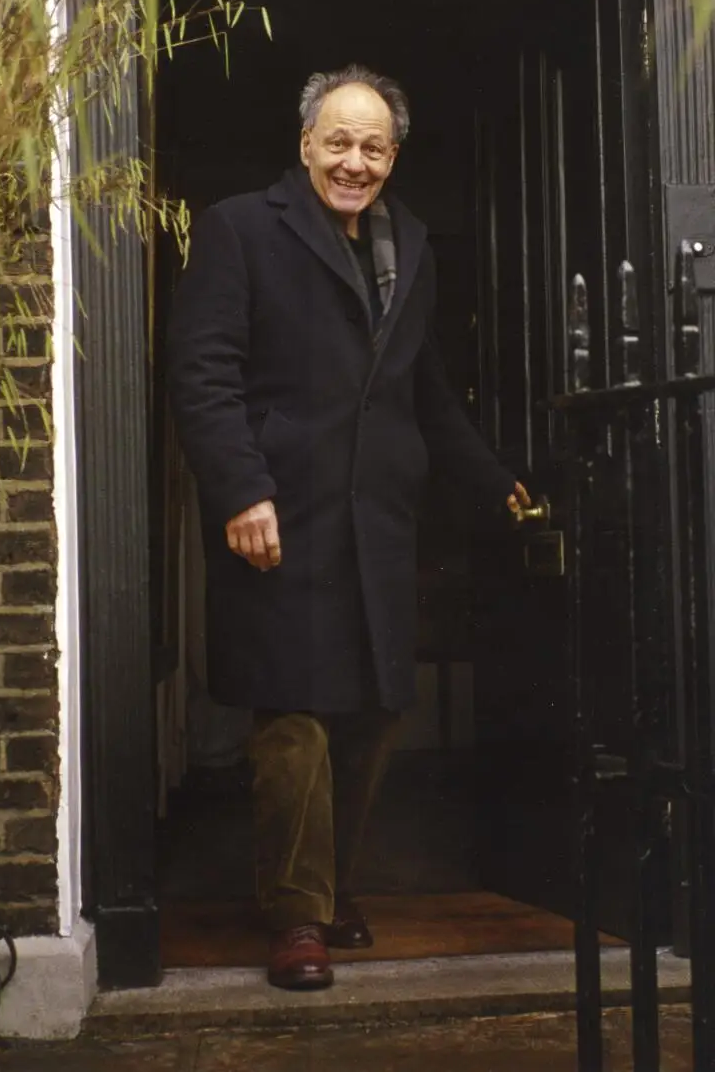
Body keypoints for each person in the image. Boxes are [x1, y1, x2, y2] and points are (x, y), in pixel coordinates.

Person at [165, 65, 530, 992]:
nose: (354, 161)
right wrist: (242, 491)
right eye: (338, 141)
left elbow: (426, 391)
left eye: (373, 147)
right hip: (279, 516)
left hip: (380, 523)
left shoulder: (409, 241)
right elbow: (204, 373)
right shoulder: (240, 228)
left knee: (373, 714)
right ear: (305, 145)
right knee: (294, 718)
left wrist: (494, 484)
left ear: (393, 157)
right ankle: (297, 919)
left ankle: (328, 892)